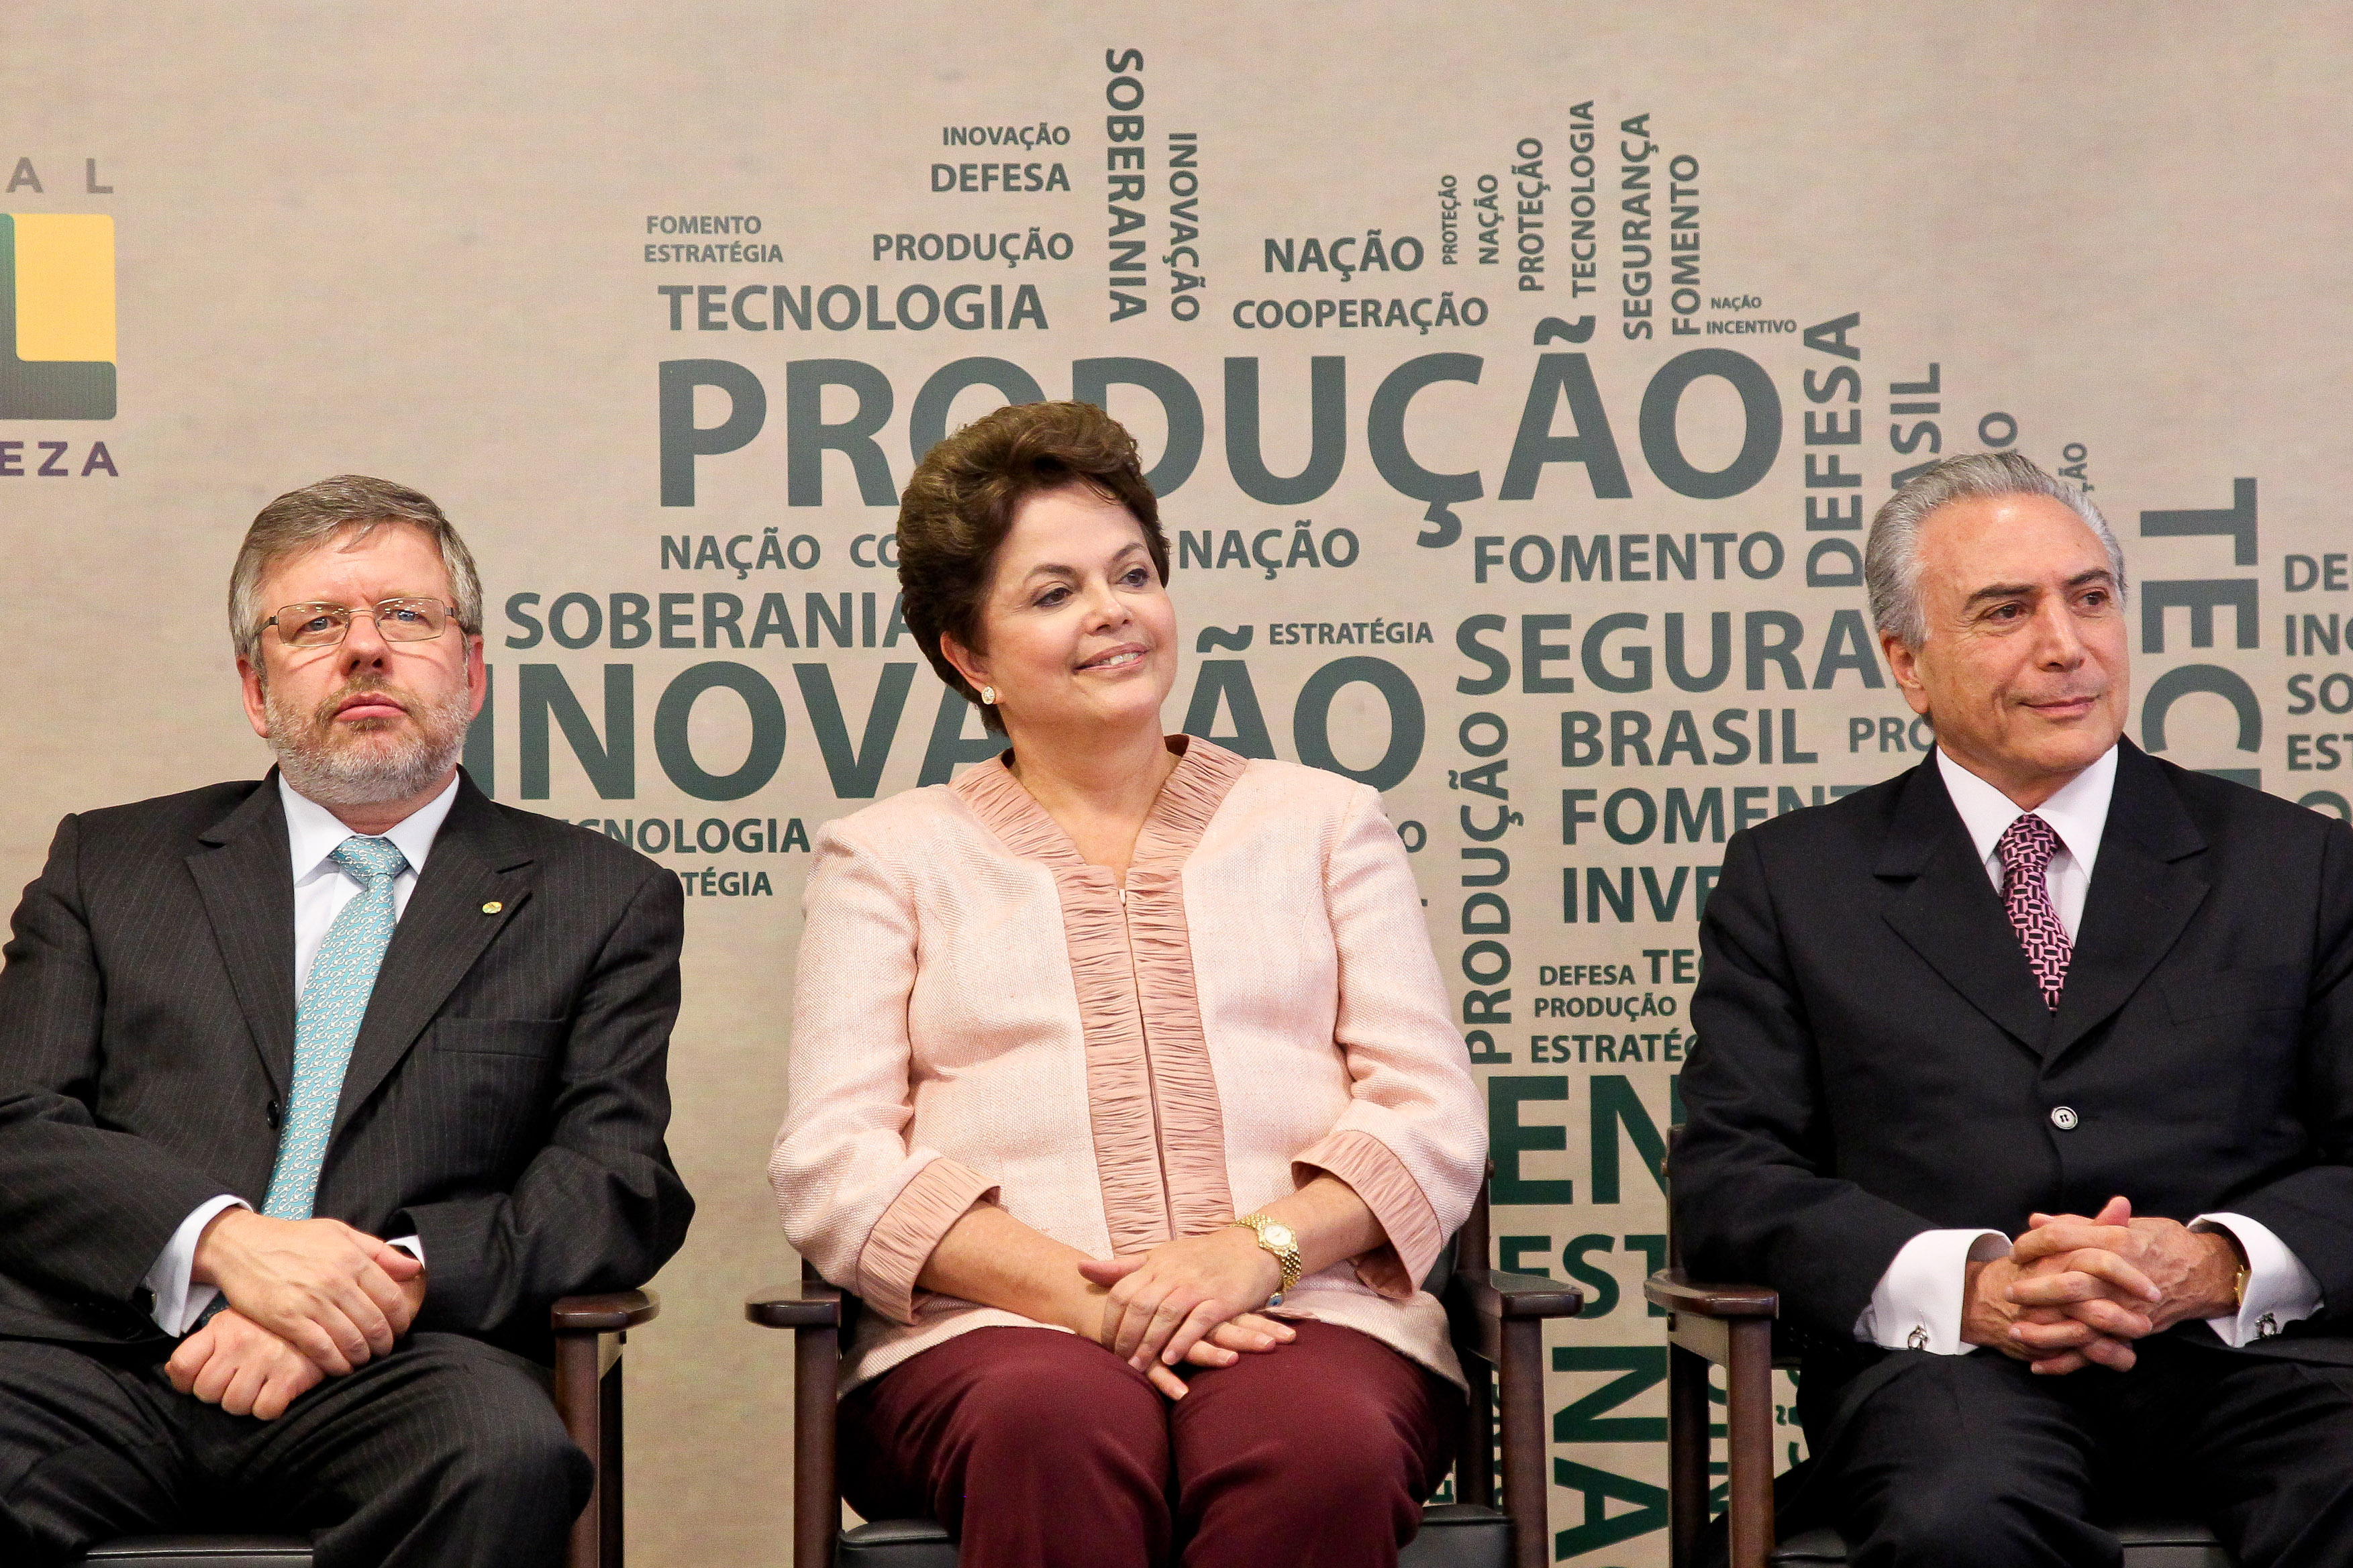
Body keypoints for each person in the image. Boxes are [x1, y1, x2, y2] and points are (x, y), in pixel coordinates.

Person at [770, 401, 1485, 1567]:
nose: (1112, 611)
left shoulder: (1323, 822)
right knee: (1053, 1422)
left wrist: (1253, 1251)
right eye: (1054, 592)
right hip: (992, 1333)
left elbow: (1429, 1110)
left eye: (1133, 574)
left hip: (1308, 1310)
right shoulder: (888, 856)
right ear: (970, 657)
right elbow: (834, 1163)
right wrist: (1089, 1300)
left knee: (1316, 1445)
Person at [0, 476, 695, 1567]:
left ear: (470, 671)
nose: (365, 649)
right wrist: (226, 1244)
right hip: (99, 1355)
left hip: (396, 1368)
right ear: (254, 685)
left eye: (406, 616)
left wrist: (370, 1290)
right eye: (316, 623)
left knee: (506, 1454)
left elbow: (613, 1180)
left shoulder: (599, 896)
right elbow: (17, 1121)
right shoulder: (111, 863)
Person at [1674, 450, 2353, 1565]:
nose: (2064, 644)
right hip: (1951, 1376)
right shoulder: (1793, 881)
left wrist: (2217, 1262)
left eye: (2089, 598)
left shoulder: (2299, 863)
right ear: (1906, 663)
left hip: (2254, 1363)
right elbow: (1729, 1177)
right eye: (2005, 611)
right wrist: (1974, 1286)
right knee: (1960, 1520)